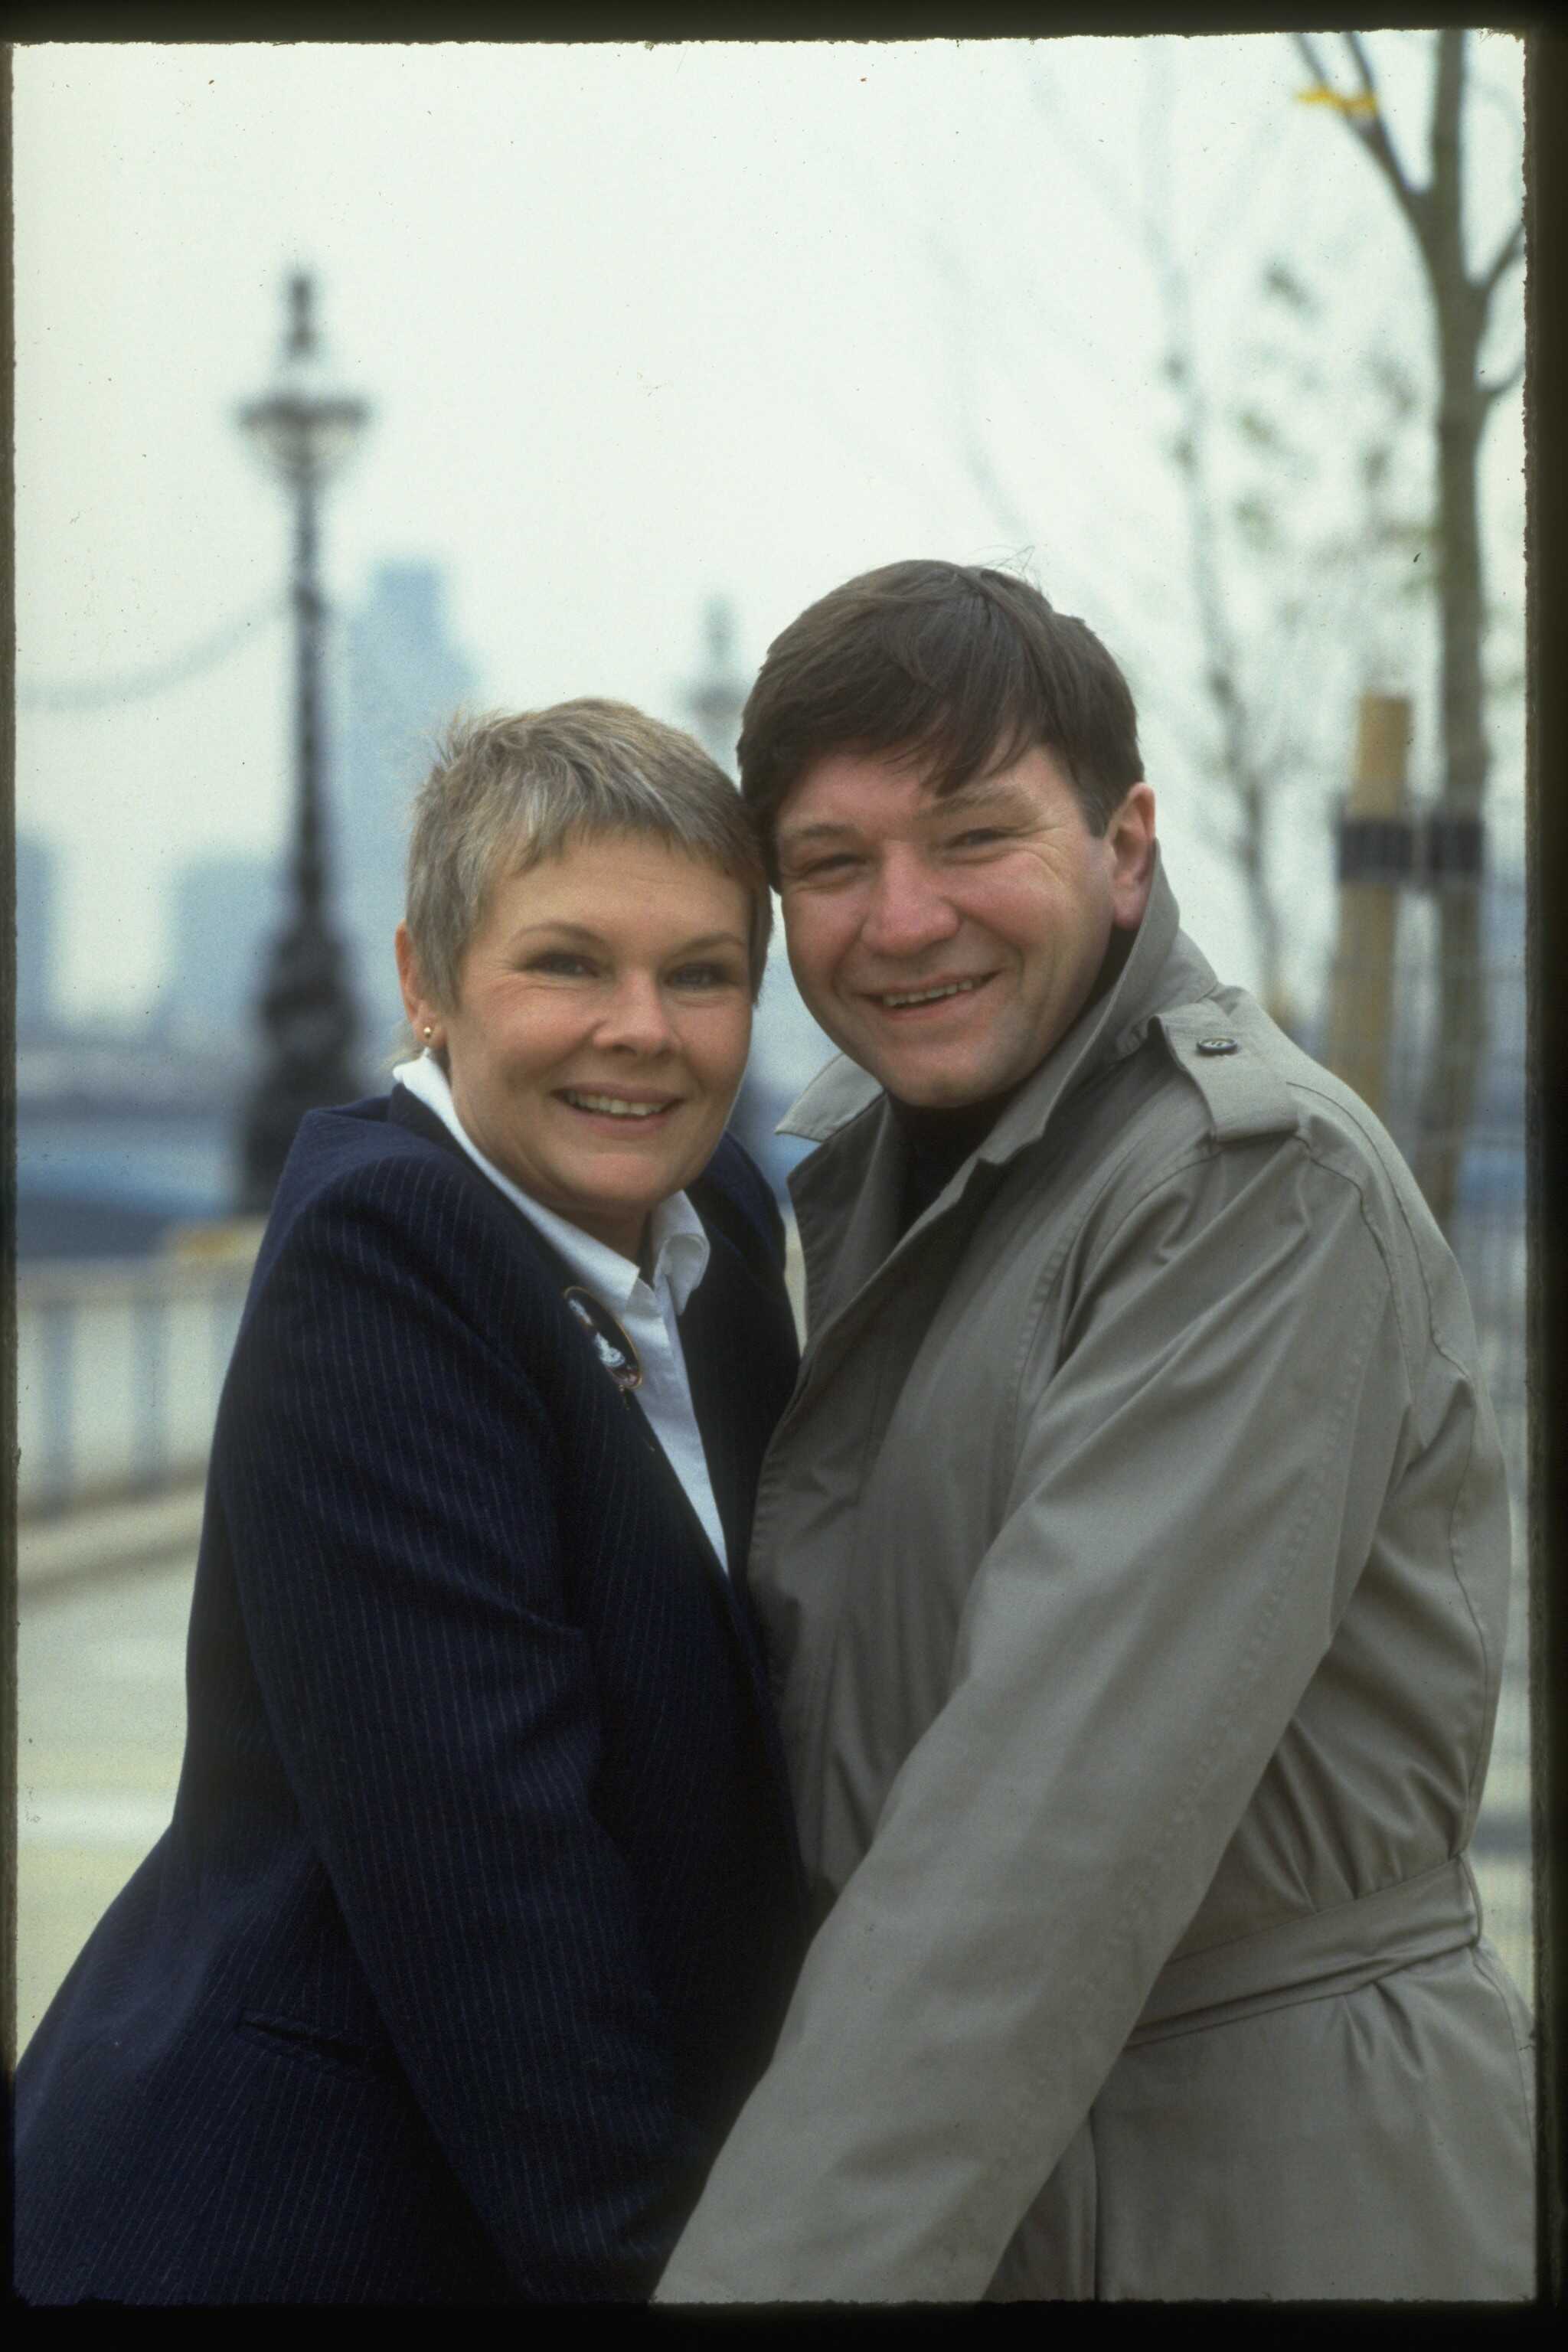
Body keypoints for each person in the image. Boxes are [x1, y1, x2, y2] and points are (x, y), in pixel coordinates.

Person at [654, 561, 1536, 2304]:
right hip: (1056, 2166)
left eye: (972, 837)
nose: (901, 921)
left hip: (1261, 2194)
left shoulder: (1241, 1190)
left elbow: (1029, 1857)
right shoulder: (915, 1172)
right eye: (831, 866)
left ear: (1125, 845)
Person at [15, 701, 808, 2305]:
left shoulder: (703, 1214)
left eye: (701, 972)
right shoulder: (386, 1261)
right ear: (424, 985)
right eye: (566, 963)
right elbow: (492, 1891)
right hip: (287, 2224)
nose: (641, 1028)